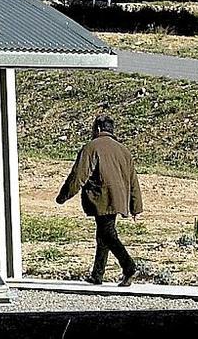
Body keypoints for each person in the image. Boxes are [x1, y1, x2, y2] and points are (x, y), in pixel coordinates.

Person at [56, 114, 143, 286]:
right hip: (119, 198)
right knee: (103, 234)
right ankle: (97, 274)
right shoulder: (123, 150)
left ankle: (129, 266)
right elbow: (133, 180)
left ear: (97, 129)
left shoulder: (91, 147)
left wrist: (63, 196)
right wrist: (135, 207)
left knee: (108, 234)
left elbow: (78, 175)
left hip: (102, 197)